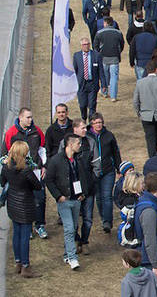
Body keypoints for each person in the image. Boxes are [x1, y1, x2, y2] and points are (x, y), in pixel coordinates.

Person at [45, 134, 89, 270]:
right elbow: (49, 180)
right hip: (64, 200)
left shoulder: (78, 159)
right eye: (78, 144)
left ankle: (67, 254)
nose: (80, 146)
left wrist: (83, 193)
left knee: (73, 228)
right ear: (70, 144)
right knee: (69, 228)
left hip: (76, 199)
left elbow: (83, 177)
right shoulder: (56, 160)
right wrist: (58, 196)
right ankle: (73, 258)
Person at [2, 108, 48, 239]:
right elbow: (3, 155)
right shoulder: (11, 133)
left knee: (40, 198)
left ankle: (39, 225)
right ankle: (26, 225)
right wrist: (10, 168)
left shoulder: (37, 131)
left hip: (36, 171)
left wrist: (44, 166)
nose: (31, 120)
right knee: (24, 199)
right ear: (20, 117)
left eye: (31, 117)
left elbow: (43, 150)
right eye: (28, 117)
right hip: (19, 173)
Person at [1, 141, 43, 278]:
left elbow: (2, 182)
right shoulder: (26, 170)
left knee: (16, 234)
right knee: (25, 236)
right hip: (25, 204)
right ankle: (26, 266)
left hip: (12, 203)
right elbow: (37, 186)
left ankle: (18, 262)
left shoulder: (6, 167)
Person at [64, 119, 98, 255]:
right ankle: (76, 240)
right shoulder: (66, 142)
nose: (85, 130)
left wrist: (92, 180)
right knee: (73, 220)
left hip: (88, 187)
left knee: (88, 218)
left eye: (85, 128)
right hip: (73, 189)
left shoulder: (91, 142)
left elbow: (96, 164)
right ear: (75, 129)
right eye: (83, 128)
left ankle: (84, 242)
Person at [87, 112, 122, 233]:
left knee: (107, 196)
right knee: (99, 197)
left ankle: (107, 221)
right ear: (91, 124)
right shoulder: (87, 137)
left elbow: (115, 152)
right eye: (96, 123)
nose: (98, 125)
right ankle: (103, 218)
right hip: (93, 172)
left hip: (108, 171)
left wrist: (119, 168)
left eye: (100, 122)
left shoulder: (109, 136)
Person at [134, 172, 157, 292]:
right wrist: (155, 266)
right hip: (150, 261)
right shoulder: (149, 210)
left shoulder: (147, 203)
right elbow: (150, 239)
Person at [94, 17, 125, 102]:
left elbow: (95, 46)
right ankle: (113, 96)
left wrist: (99, 53)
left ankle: (104, 92)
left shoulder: (99, 33)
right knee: (114, 77)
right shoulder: (118, 33)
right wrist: (118, 52)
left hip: (103, 57)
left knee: (104, 76)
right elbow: (122, 44)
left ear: (105, 23)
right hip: (114, 57)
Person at [74, 37, 106, 120]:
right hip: (81, 84)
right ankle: (83, 118)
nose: (86, 46)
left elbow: (101, 71)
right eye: (84, 44)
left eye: (88, 44)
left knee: (92, 105)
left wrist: (103, 84)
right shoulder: (76, 56)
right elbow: (74, 71)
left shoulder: (96, 55)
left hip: (92, 84)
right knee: (82, 105)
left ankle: (91, 122)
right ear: (81, 46)